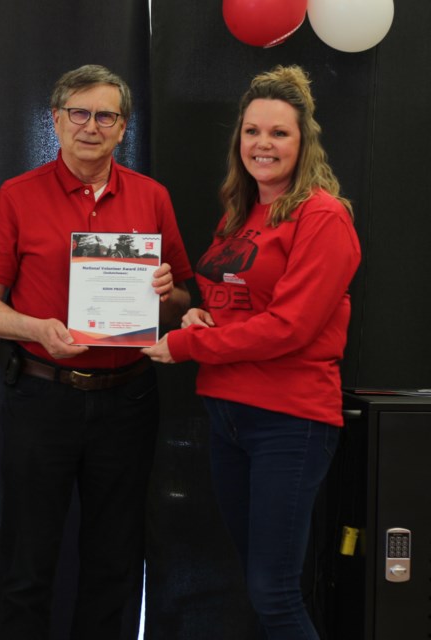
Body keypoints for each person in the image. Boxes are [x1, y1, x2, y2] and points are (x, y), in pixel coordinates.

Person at [0, 64, 192, 640]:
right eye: (80, 113)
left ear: (124, 128)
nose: (92, 126)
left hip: (128, 400)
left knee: (114, 562)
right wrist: (36, 328)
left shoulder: (152, 198)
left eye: (106, 116)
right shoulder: (17, 195)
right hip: (44, 394)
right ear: (57, 120)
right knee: (28, 561)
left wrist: (169, 295)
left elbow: (186, 298)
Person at [142, 65, 361, 639]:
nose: (262, 144)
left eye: (279, 133)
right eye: (251, 131)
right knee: (258, 583)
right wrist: (199, 313)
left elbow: (290, 326)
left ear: (303, 141)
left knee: (274, 590)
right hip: (227, 413)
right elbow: (235, 305)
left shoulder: (323, 217)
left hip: (289, 421)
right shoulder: (241, 212)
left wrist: (190, 342)